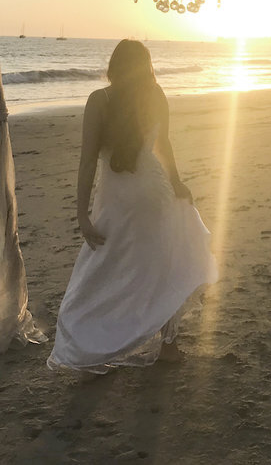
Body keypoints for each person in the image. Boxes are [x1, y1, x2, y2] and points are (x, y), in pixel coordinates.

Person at [47, 40, 218, 373]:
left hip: (118, 196)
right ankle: (169, 348)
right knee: (162, 266)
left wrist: (82, 213)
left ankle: (89, 345)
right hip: (155, 190)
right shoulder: (156, 96)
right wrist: (177, 181)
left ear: (114, 66)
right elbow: (164, 145)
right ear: (147, 66)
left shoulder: (99, 100)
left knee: (103, 268)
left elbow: (86, 162)